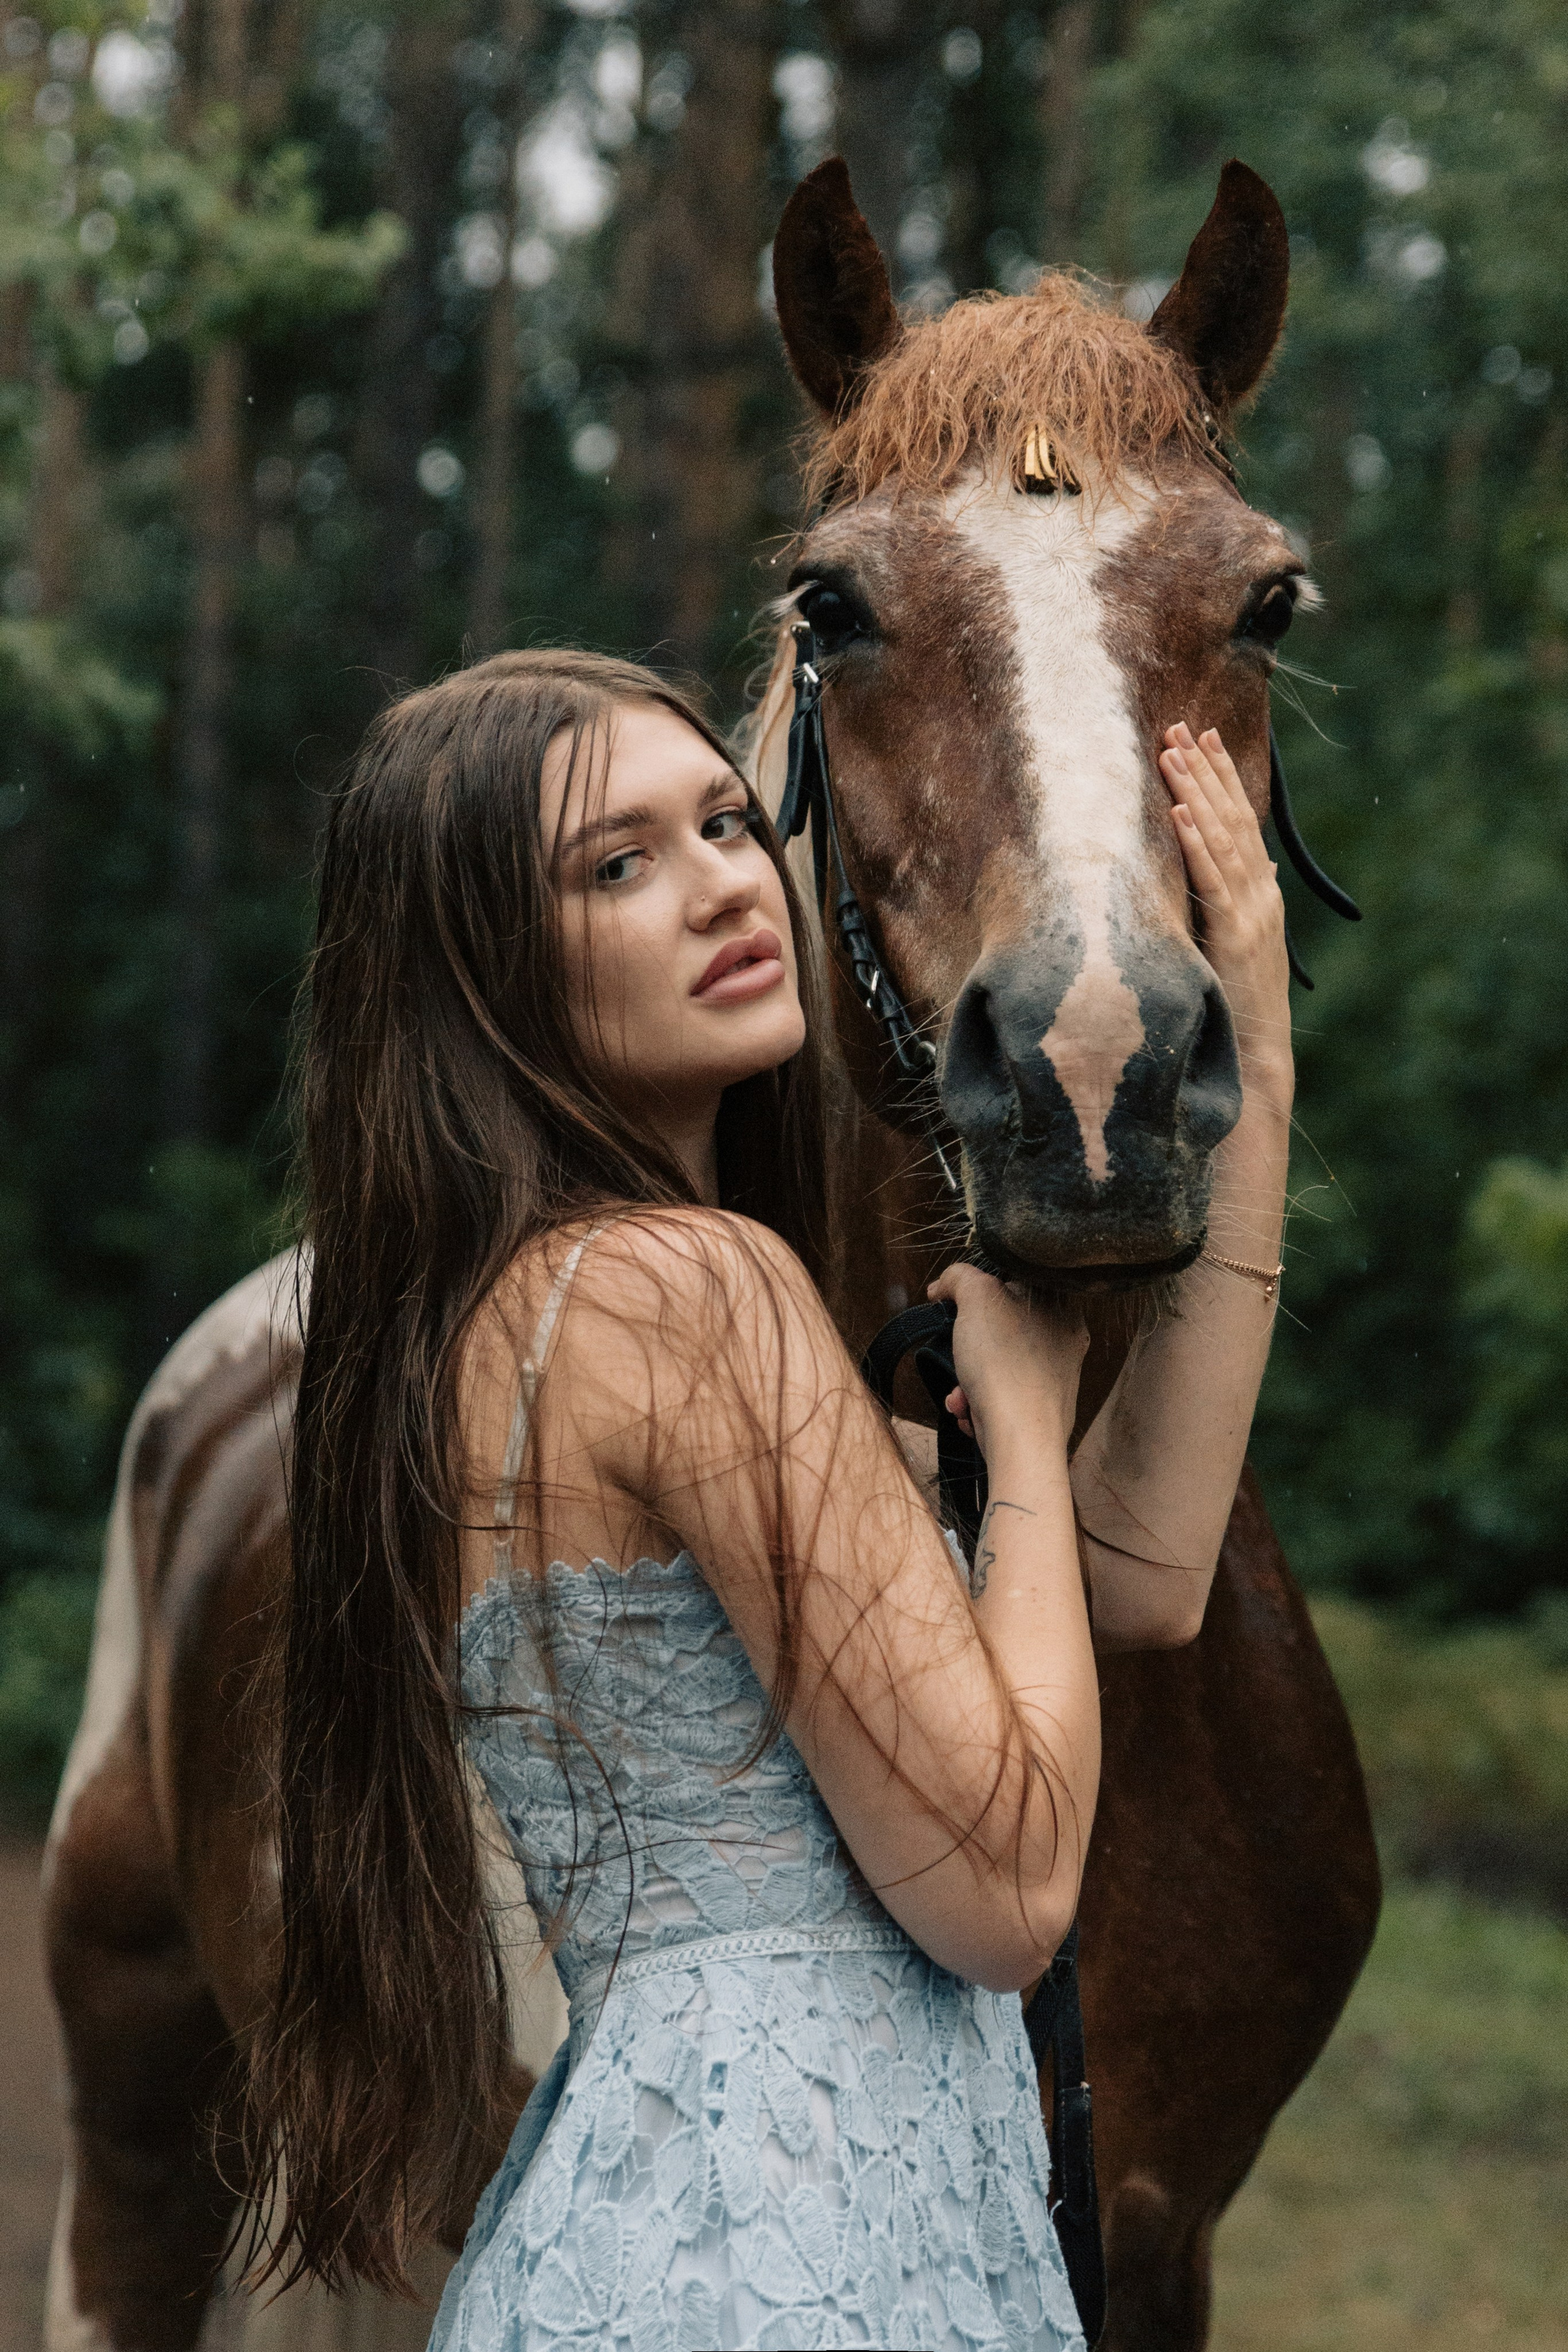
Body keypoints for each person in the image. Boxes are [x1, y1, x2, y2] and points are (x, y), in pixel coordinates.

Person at [243, 648, 1291, 2352]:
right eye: (615, 865)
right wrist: (1018, 1436)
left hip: (679, 2222)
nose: (726, 883)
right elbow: (1010, 1886)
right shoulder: (687, 1291)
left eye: (727, 823)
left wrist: (1256, 1048)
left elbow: (1139, 1579)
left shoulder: (507, 1314)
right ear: (478, 971)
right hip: (788, 2253)